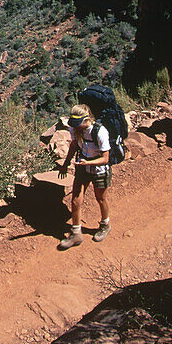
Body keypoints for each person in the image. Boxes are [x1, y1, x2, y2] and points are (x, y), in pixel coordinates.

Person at [56, 104, 112, 249]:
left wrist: (89, 162)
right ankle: (76, 234)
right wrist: (66, 163)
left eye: (78, 124)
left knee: (100, 198)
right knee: (75, 201)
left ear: (86, 119)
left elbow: (106, 158)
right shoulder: (75, 130)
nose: (76, 127)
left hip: (99, 169)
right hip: (83, 166)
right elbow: (74, 146)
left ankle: (105, 225)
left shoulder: (100, 132)